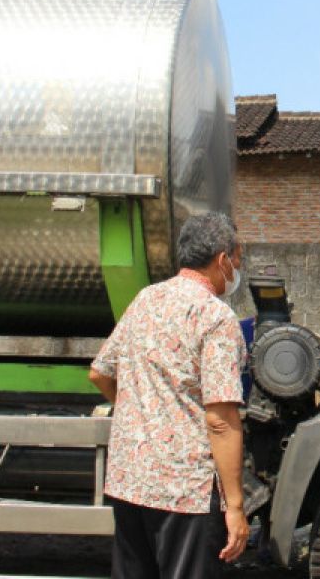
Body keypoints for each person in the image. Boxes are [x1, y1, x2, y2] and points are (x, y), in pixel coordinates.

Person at [89, 212, 250, 578]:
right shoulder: (215, 317)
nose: (238, 267)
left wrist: (143, 411)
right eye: (238, 258)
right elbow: (221, 421)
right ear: (223, 260)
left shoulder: (146, 299)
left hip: (131, 482)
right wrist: (235, 507)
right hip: (184, 491)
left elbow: (99, 372)